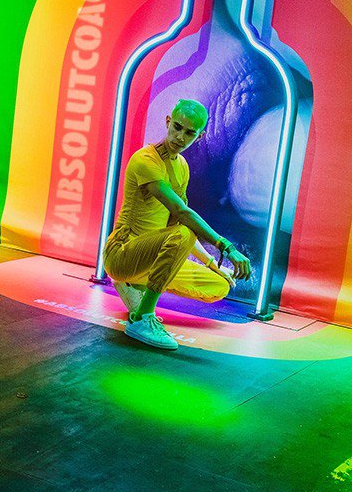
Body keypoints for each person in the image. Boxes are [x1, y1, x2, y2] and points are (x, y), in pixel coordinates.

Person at [103, 99, 252, 350]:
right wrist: (226, 247)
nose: (180, 137)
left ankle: (135, 286)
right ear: (168, 122)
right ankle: (142, 317)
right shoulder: (145, 160)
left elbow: (177, 223)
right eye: (178, 128)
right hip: (122, 254)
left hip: (153, 258)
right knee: (185, 229)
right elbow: (181, 213)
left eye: (189, 132)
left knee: (219, 285)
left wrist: (211, 264)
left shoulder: (181, 166)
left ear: (200, 135)